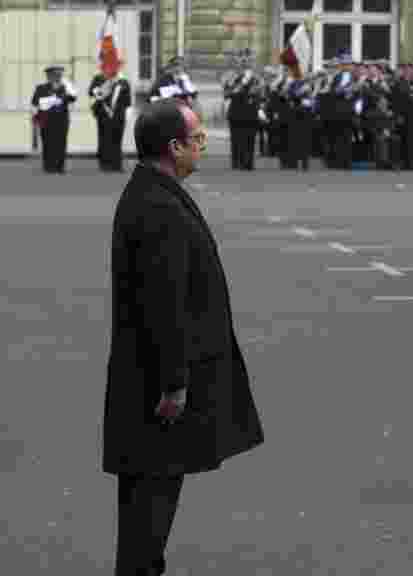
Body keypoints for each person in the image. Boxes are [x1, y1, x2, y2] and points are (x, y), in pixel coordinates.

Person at [105, 98, 264, 576]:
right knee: (151, 496)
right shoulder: (158, 206)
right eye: (196, 140)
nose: (202, 147)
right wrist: (175, 380)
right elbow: (164, 301)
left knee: (151, 492)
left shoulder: (154, 192)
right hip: (158, 379)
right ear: (173, 147)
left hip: (150, 369)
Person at [31, 65, 77, 174]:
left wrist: (67, 85)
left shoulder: (65, 88)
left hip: (61, 120)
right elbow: (35, 103)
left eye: (58, 75)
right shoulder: (41, 88)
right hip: (46, 120)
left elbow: (73, 98)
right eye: (53, 75)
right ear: (48, 76)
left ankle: (60, 167)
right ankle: (49, 166)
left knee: (61, 143)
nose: (56, 77)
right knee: (48, 143)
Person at [89, 61, 132, 172]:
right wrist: (104, 87)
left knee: (117, 139)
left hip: (118, 114)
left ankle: (116, 165)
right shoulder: (99, 79)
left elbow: (127, 100)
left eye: (117, 66)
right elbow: (92, 92)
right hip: (103, 113)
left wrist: (123, 112)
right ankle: (105, 164)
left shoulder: (123, 82)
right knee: (104, 139)